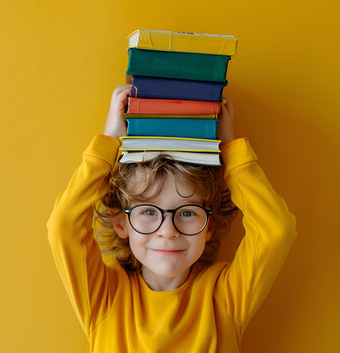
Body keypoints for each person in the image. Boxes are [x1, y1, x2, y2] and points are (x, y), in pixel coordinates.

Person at [46, 84, 297, 352]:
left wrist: (229, 149)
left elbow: (276, 229)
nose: (167, 231)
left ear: (209, 226)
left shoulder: (224, 297)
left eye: (187, 212)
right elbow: (63, 226)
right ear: (121, 223)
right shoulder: (104, 298)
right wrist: (109, 141)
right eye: (148, 212)